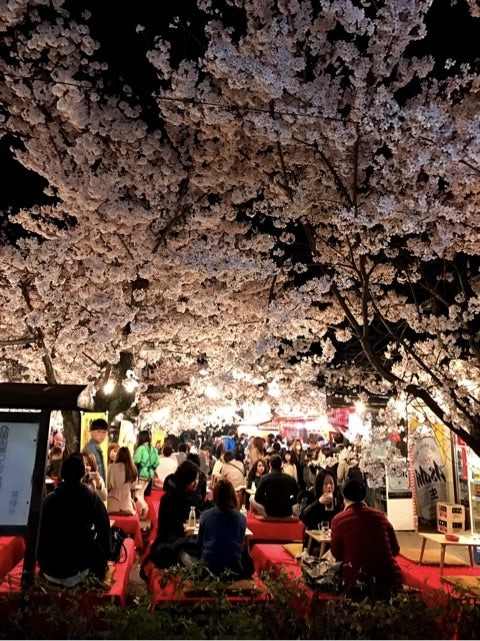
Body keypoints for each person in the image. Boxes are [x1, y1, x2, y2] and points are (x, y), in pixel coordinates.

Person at [38, 454, 111, 586]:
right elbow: (105, 532)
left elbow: (38, 534)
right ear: (83, 474)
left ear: (62, 473)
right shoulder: (91, 498)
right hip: (80, 570)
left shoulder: (49, 500)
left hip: (50, 570)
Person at [330, 479, 403, 600]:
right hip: (390, 580)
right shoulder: (380, 515)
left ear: (344, 497)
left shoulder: (338, 520)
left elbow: (336, 553)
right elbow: (395, 549)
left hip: (357, 584)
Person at [145, 460, 203, 570]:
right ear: (186, 480)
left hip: (185, 540)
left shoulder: (192, 497)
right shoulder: (172, 499)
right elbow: (172, 529)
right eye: (194, 479)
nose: (196, 482)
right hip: (172, 543)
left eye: (197, 479)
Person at [197, 479, 253, 578]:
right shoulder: (241, 518)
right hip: (235, 569)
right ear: (232, 495)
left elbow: (199, 544)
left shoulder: (205, 515)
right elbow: (239, 543)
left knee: (183, 553)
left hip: (208, 569)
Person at [250, 454, 299, 518]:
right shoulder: (290, 478)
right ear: (281, 464)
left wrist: (266, 502)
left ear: (270, 465)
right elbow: (298, 496)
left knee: (251, 498)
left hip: (269, 511)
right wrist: (289, 502)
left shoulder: (265, 478)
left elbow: (257, 498)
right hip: (287, 511)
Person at [299, 469, 343, 540]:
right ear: (320, 485)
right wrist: (318, 502)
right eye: (325, 484)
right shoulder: (311, 495)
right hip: (314, 540)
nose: (329, 486)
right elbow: (302, 517)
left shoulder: (338, 497)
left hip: (332, 539)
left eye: (331, 483)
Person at [133, 430, 160, 519]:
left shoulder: (141, 448)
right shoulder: (154, 449)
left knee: (137, 494)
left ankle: (145, 507)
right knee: (142, 493)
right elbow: (157, 462)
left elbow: (136, 460)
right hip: (150, 474)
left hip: (141, 472)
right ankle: (141, 514)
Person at [107, 446, 138, 515]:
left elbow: (108, 486)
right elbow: (133, 487)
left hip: (112, 504)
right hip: (127, 506)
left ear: (118, 455)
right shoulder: (133, 469)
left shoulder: (111, 467)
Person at [83, 418, 109, 482]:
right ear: (91, 432)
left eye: (104, 432)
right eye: (98, 431)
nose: (101, 435)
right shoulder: (90, 449)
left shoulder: (96, 448)